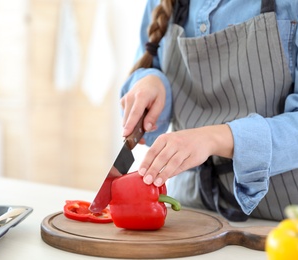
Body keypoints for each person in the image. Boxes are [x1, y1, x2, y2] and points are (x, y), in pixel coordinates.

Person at [120, 0, 298, 221]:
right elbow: (149, 60)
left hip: (282, 224)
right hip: (189, 214)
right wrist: (150, 80)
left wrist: (213, 138)